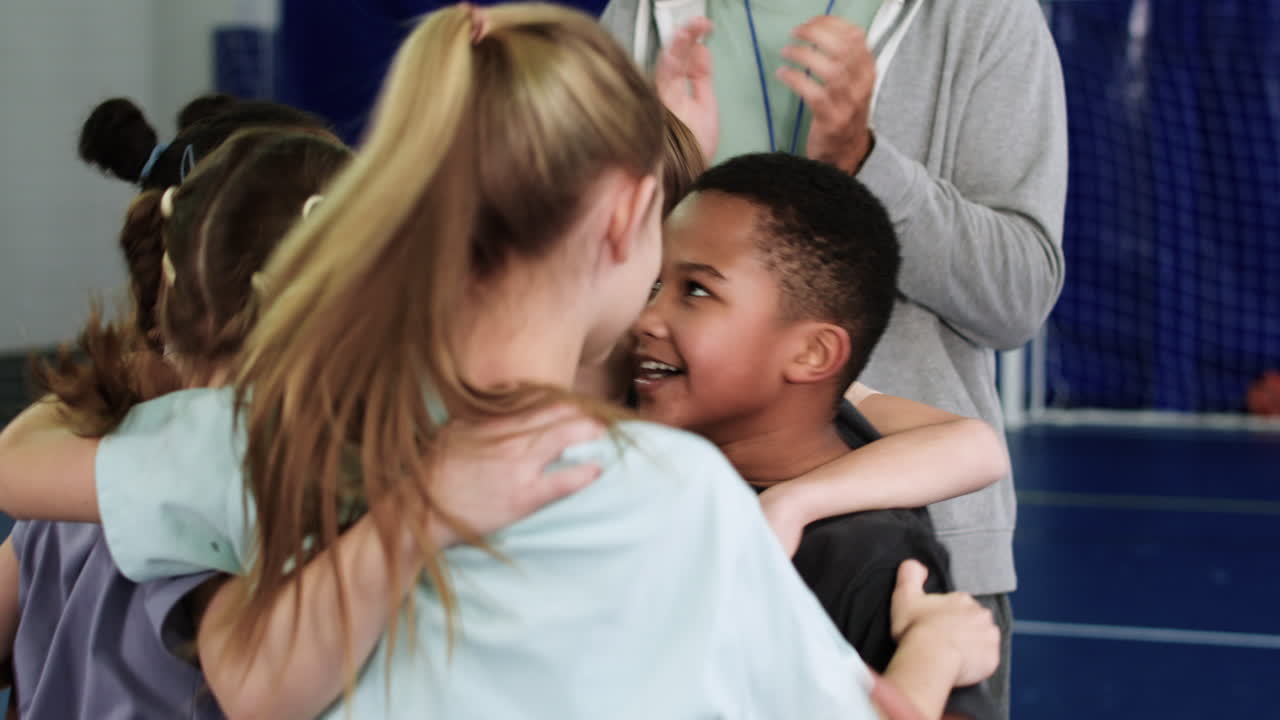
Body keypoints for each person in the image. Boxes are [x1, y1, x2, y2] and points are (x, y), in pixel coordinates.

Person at [0, 5, 995, 718]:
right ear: (623, 218)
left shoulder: (286, 436)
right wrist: (932, 650)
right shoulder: (671, 498)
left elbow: (250, 679)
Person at [602, 1, 1069, 711]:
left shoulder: (982, 16)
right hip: (654, 528)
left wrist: (865, 162)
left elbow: (1017, 297)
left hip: (900, 549)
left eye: (695, 290)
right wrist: (666, 166)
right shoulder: (645, 14)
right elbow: (589, 261)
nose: (653, 315)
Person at [637, 150, 999, 718]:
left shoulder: (873, 565)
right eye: (652, 285)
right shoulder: (637, 474)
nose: (645, 318)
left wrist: (929, 658)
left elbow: (976, 445)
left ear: (812, 353)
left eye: (696, 291)